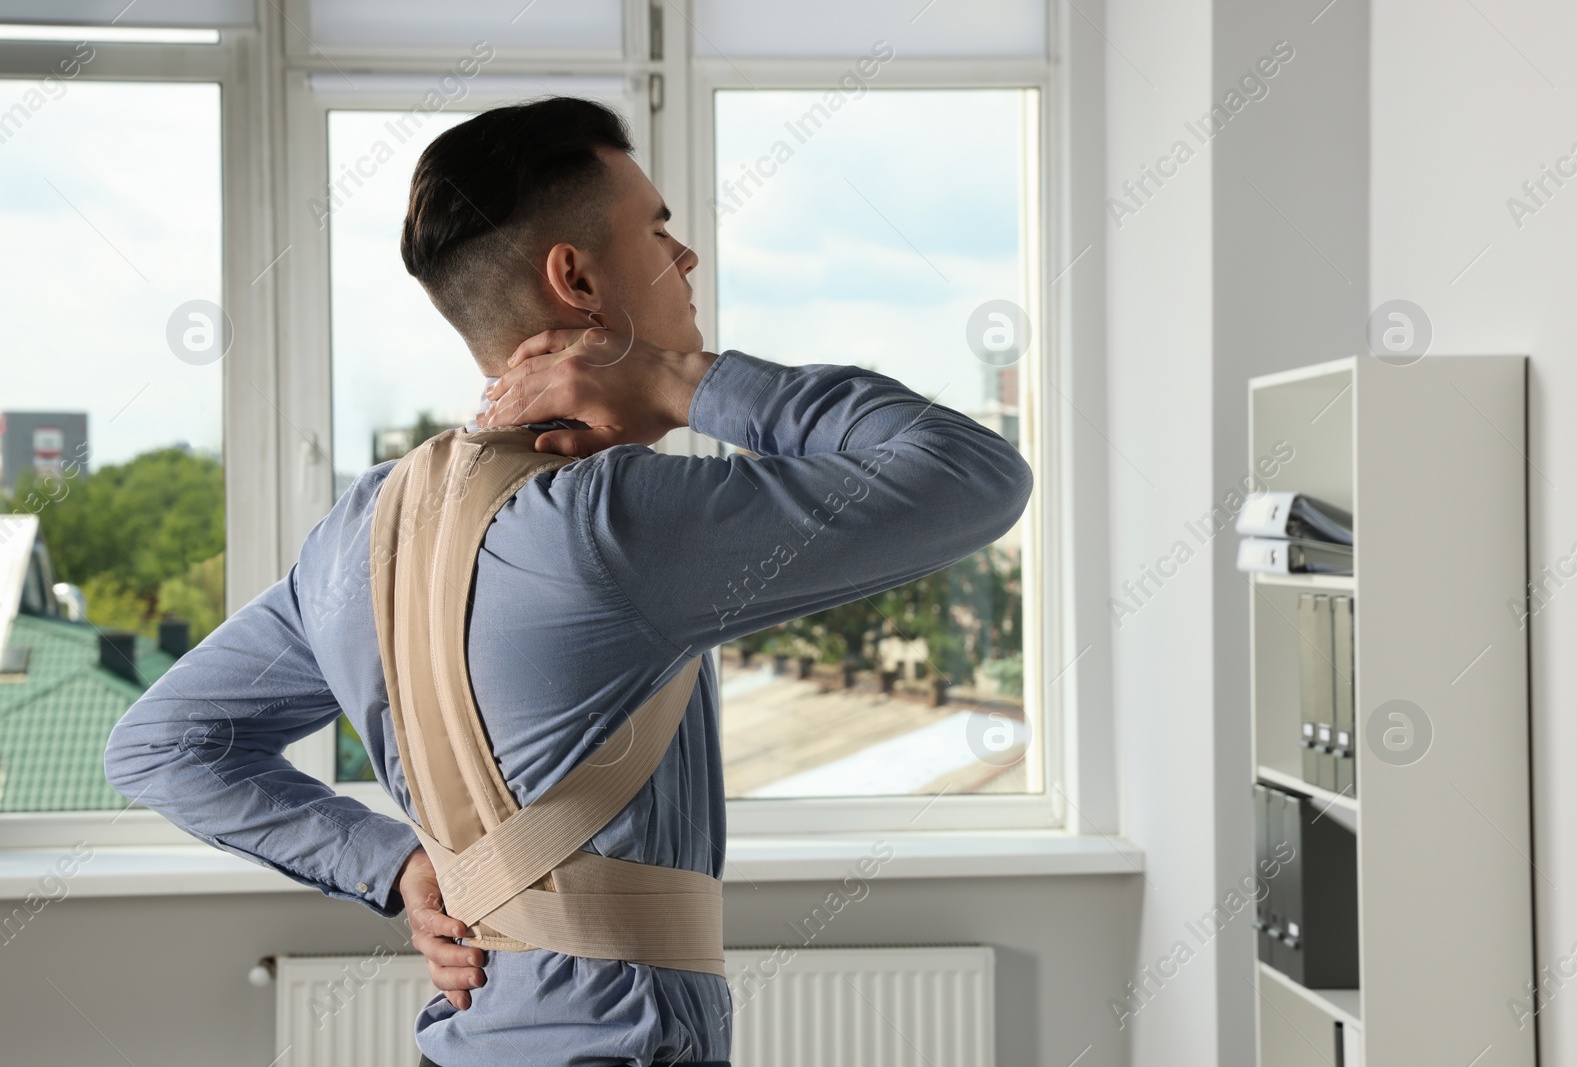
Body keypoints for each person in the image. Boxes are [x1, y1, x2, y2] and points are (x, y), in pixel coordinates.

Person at [104, 96, 1033, 1067]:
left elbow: (166, 745)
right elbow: (972, 474)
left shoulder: (358, 529)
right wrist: (682, 379)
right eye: (659, 229)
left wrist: (394, 865)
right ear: (576, 277)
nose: (687, 259)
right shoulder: (611, 520)